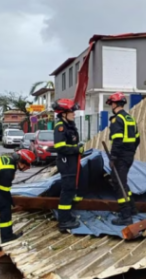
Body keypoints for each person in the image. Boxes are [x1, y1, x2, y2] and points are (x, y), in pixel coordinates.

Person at [106, 92, 140, 225]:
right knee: (123, 182)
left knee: (119, 184)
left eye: (111, 104)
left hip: (120, 156)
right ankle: (132, 208)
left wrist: (113, 157)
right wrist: (130, 151)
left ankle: (125, 216)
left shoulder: (117, 120)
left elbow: (117, 140)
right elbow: (137, 139)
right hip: (129, 155)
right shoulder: (130, 119)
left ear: (114, 104)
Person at [52, 98, 83, 231]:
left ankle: (67, 216)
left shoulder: (69, 125)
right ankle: (64, 220)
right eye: (71, 111)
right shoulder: (60, 127)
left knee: (71, 189)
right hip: (66, 162)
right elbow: (60, 147)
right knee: (67, 190)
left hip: (71, 161)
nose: (74, 114)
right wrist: (76, 149)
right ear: (63, 113)